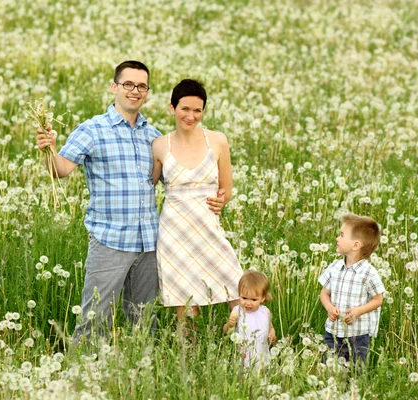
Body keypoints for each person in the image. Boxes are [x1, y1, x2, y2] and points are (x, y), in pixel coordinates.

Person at [35, 61, 225, 340]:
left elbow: (178, 183)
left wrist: (216, 198)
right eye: (128, 84)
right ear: (115, 87)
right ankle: (81, 373)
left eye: (141, 86)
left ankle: (138, 375)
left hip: (149, 242)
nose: (135, 91)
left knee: (144, 321)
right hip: (110, 240)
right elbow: (60, 170)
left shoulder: (154, 136)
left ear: (147, 92)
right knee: (95, 318)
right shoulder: (93, 129)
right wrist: (49, 150)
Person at [151, 79, 242, 323]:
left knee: (235, 285)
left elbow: (227, 189)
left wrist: (222, 200)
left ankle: (250, 345)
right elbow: (149, 182)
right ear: (172, 108)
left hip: (207, 224)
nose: (191, 116)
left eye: (197, 110)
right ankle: (187, 357)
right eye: (185, 109)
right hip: (174, 231)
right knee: (185, 302)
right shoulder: (160, 145)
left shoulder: (217, 140)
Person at [318, 213, 385, 366]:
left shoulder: (369, 273)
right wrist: (329, 307)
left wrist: (358, 311)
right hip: (332, 331)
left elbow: (378, 299)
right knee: (329, 368)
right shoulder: (334, 267)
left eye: (341, 235)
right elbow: (324, 293)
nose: (337, 238)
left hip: (358, 335)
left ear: (355, 245)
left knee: (357, 371)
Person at [223, 270, 276, 370]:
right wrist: (230, 324)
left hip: (261, 356)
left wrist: (272, 334)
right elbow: (226, 332)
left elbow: (270, 328)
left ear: (262, 298)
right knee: (243, 377)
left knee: (262, 376)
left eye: (253, 300)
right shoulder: (237, 311)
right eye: (244, 298)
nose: (248, 303)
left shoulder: (265, 312)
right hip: (244, 356)